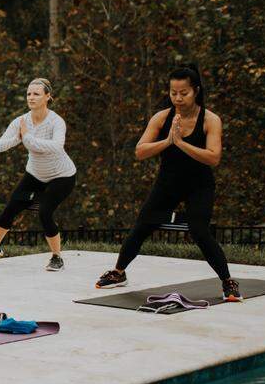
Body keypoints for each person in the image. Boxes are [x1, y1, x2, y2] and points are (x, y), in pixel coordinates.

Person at [96, 65, 242, 301]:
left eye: (184, 93)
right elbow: (140, 151)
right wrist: (168, 141)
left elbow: (213, 157)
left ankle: (228, 281)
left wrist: (182, 143)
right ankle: (118, 273)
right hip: (168, 183)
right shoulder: (162, 117)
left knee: (199, 230)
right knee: (142, 225)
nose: (178, 98)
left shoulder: (210, 119)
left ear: (196, 91)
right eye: (173, 93)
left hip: (199, 185)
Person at [0, 78, 77, 271]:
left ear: (47, 97)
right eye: (28, 94)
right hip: (35, 175)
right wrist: (18, 137)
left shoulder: (56, 121)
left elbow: (57, 146)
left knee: (45, 212)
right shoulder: (21, 121)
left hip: (62, 176)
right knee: (10, 209)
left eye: (36, 94)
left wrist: (28, 138)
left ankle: (57, 257)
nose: (31, 97)